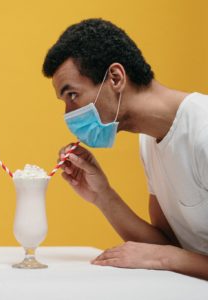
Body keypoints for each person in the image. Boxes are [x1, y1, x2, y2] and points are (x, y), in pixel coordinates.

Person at [42, 18, 208, 279]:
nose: (68, 114)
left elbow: (165, 254)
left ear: (115, 78)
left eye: (72, 95)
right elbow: (165, 245)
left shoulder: (203, 130)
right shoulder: (149, 141)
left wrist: (165, 257)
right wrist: (102, 195)